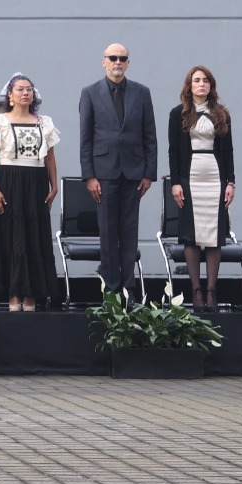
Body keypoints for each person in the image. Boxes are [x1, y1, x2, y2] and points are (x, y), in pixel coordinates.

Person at [0, 74, 60, 310]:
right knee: (12, 238)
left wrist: (54, 186)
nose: (25, 93)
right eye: (20, 89)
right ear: (10, 95)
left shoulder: (44, 122)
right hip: (9, 183)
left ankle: (31, 295)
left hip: (35, 184)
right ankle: (13, 294)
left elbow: (50, 158)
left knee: (33, 237)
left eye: (29, 89)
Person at [78, 43, 156, 296]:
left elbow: (149, 136)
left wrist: (149, 174)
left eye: (122, 58)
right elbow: (86, 138)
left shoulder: (141, 93)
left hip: (134, 173)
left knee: (129, 232)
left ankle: (128, 288)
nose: (118, 62)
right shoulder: (90, 93)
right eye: (113, 57)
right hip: (104, 173)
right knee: (108, 233)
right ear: (104, 61)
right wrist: (89, 176)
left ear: (128, 63)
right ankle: (111, 289)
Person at [167, 66, 236, 312]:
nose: (201, 84)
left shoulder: (221, 114)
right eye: (197, 80)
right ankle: (196, 290)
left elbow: (228, 151)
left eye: (206, 80)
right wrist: (176, 182)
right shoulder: (178, 114)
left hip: (215, 176)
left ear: (211, 85)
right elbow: (173, 151)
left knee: (215, 235)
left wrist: (231, 182)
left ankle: (211, 290)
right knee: (191, 234)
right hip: (190, 175)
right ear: (189, 85)